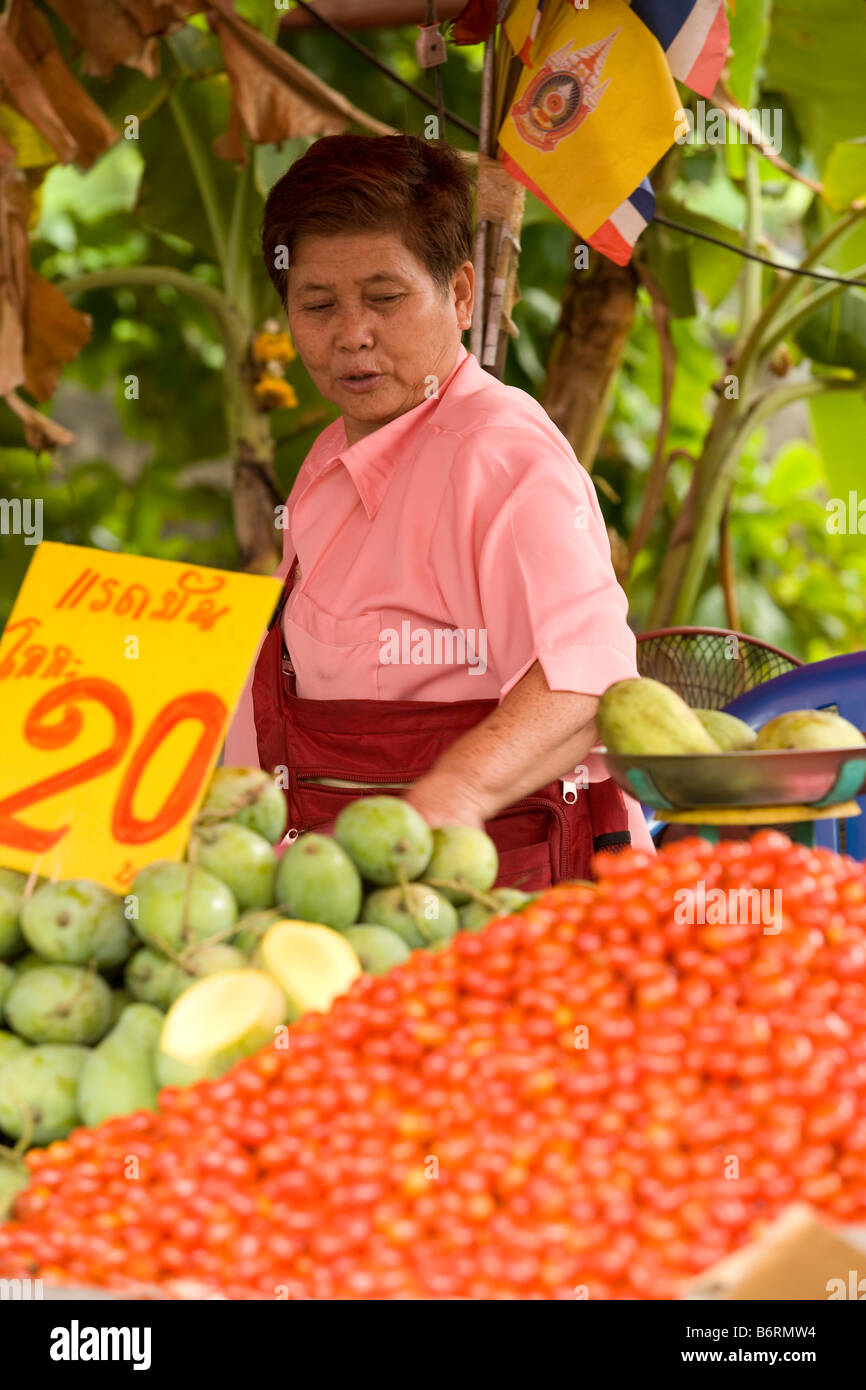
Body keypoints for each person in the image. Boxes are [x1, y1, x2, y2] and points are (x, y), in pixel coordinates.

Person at [224, 133, 655, 887]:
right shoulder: (328, 457)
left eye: (385, 299)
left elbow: (585, 680)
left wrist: (447, 799)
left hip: (499, 900)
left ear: (459, 295)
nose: (352, 334)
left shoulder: (502, 454)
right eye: (317, 304)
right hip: (347, 889)